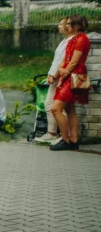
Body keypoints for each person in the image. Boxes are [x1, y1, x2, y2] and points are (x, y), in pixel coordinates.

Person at [50, 13, 92, 151]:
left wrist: (64, 73)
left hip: (74, 74)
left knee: (56, 108)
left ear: (77, 25)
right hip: (70, 74)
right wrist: (60, 71)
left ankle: (65, 139)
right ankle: (74, 140)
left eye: (69, 24)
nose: (67, 26)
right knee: (69, 108)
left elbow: (74, 61)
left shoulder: (81, 39)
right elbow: (66, 58)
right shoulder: (75, 39)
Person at [35, 16, 74, 145]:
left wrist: (55, 75)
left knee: (56, 107)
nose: (59, 26)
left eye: (61, 24)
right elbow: (56, 60)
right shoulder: (64, 40)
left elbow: (64, 61)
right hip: (54, 76)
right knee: (50, 105)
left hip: (61, 77)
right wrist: (50, 74)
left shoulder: (70, 41)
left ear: (68, 26)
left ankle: (61, 135)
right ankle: (53, 133)